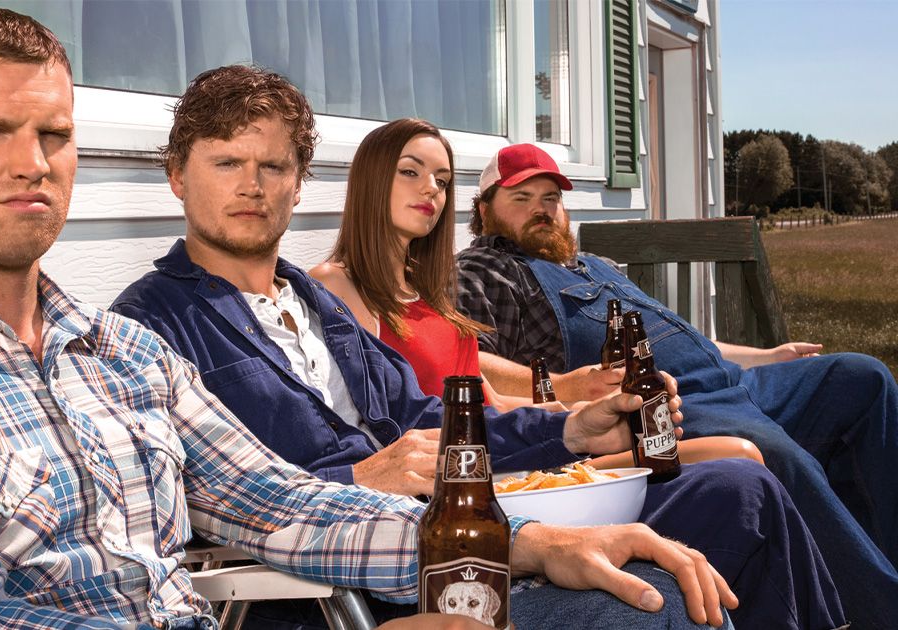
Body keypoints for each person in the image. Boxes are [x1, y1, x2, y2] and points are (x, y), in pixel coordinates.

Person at [0, 8, 733, 630]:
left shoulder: (120, 352)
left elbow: (278, 500)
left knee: (659, 587)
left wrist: (513, 541)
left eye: (55, 134)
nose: (34, 162)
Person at [111, 65, 843, 629]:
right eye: (226, 163)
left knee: (742, 492)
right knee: (656, 602)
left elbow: (440, 420)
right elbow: (200, 507)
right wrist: (357, 477)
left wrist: (567, 426)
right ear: (178, 174)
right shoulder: (149, 328)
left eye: (273, 167)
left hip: (478, 511)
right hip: (381, 581)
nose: (253, 186)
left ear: (299, 186)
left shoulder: (313, 303)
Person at [455, 142, 898, 629]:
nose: (542, 208)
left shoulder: (593, 264)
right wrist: (566, 385)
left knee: (862, 378)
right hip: (675, 405)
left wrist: (764, 356)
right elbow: (465, 355)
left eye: (551, 198)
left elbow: (680, 336)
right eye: (522, 198)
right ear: (484, 210)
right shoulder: (489, 269)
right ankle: (879, 610)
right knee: (777, 454)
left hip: (740, 382)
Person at [309, 117, 763, 470]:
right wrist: (567, 422)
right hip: (478, 472)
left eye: (443, 180)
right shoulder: (336, 285)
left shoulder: (428, 291)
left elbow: (497, 403)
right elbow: (384, 425)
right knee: (736, 457)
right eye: (411, 171)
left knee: (737, 457)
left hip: (513, 445)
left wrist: (588, 409)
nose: (431, 188)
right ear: (370, 181)